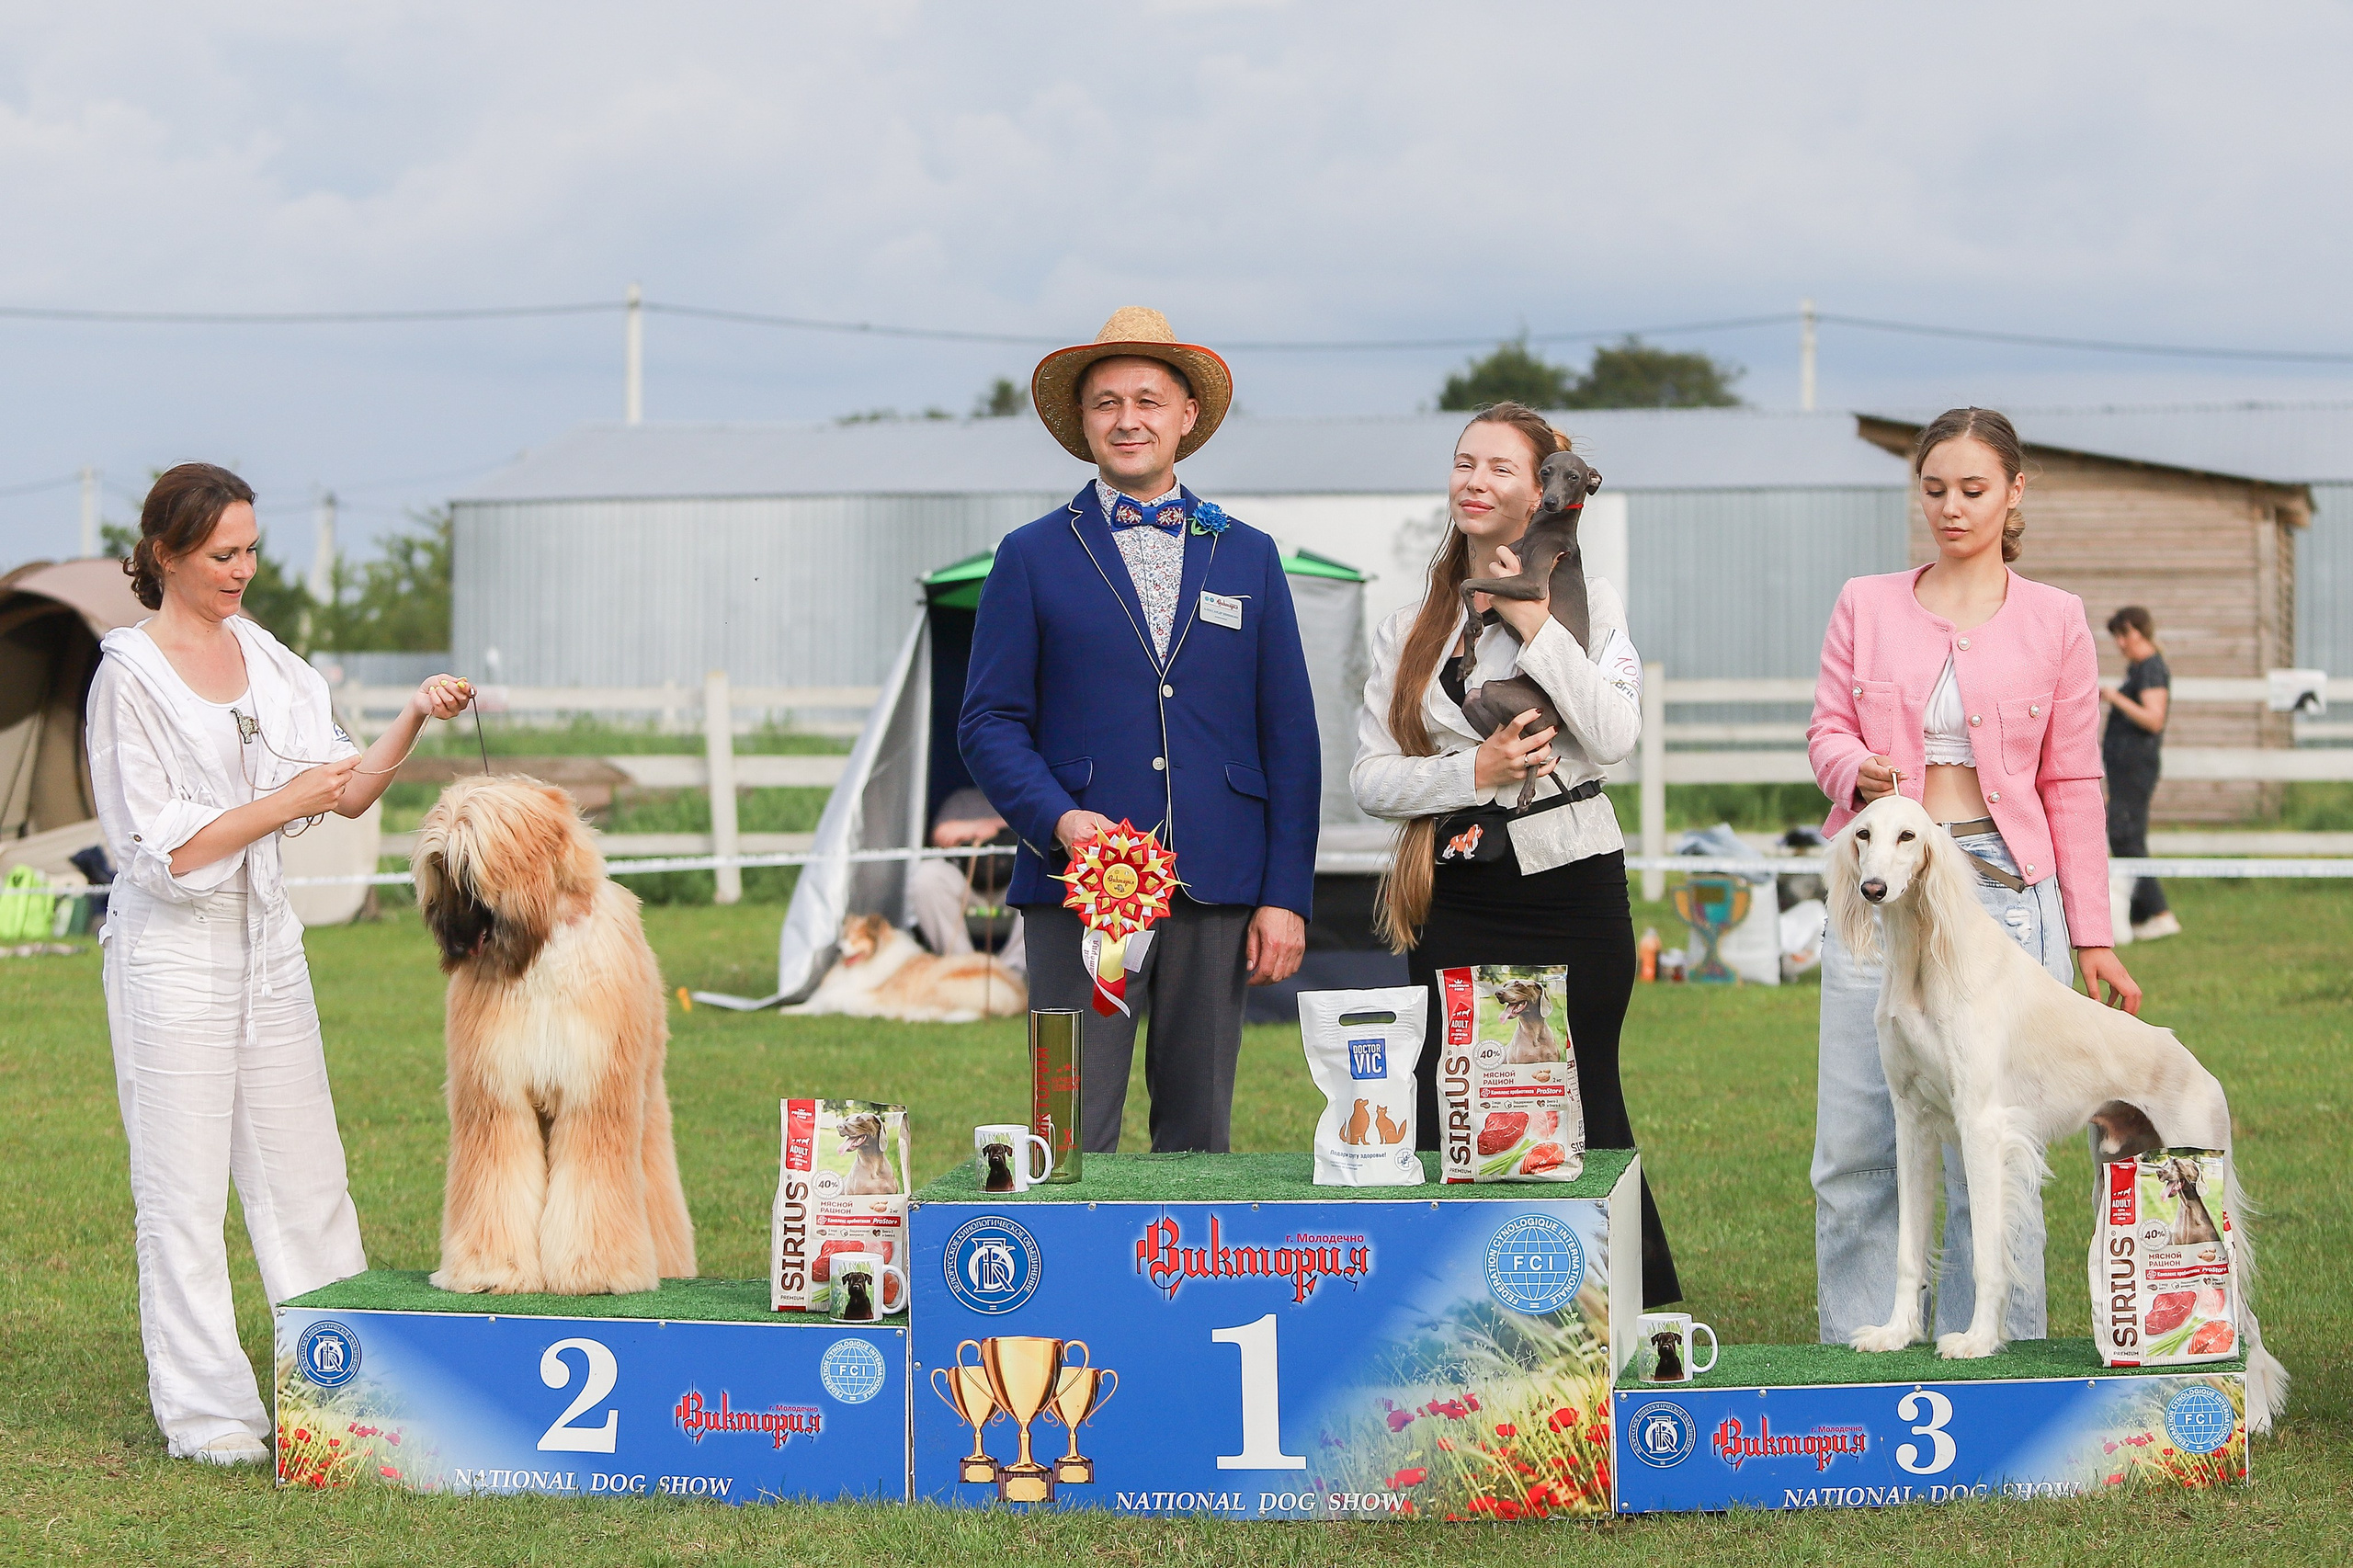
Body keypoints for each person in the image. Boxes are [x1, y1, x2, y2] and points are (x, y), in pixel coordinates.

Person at [86, 463, 474, 1463]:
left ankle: (344, 1388)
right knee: (179, 1195)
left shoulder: (266, 653)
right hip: (168, 955)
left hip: (268, 945)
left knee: (309, 1181)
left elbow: (341, 790)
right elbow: (161, 847)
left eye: (252, 549)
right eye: (223, 554)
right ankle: (212, 1418)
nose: (243, 570)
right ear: (165, 554)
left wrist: (415, 715)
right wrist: (281, 797)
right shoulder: (125, 676)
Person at [1807, 406, 2141, 1348]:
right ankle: (1865, 1345)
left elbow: (2073, 778)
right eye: (1934, 488)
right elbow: (1825, 729)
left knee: (1995, 1147)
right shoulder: (1863, 603)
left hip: (2004, 903)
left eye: (1973, 488)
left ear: (2014, 491)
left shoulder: (2056, 619)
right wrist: (1852, 773)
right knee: (1857, 1148)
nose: (1950, 507)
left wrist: (2092, 932)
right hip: (1877, 898)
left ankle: (1998, 1351)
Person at [959, 307, 1318, 1153]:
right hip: (1079, 885)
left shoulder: (1251, 556)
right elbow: (989, 721)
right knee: (1070, 1125)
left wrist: (1285, 897)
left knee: (1200, 1133)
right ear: (1081, 424)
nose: (1129, 420)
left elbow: (1291, 738)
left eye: (1149, 400)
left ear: (1186, 416)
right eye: (1107, 403)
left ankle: (1183, 1282)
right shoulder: (1030, 554)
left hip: (1218, 883)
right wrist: (1058, 820)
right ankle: (1067, 1286)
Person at [1351, 401, 1681, 1306]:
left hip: (1570, 886)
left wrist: (1532, 620)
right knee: (1450, 1104)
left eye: (1499, 466)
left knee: (1586, 1104)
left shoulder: (1588, 602)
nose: (1474, 479)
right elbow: (1371, 779)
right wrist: (1474, 770)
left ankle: (1639, 1321)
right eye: (1463, 462)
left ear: (1541, 491)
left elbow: (1612, 733)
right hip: (1455, 894)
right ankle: (1463, 1312)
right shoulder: (1407, 627)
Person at [2101, 606, 2177, 939]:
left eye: (2124, 634)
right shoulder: (2138, 669)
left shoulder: (2150, 669)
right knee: (2124, 835)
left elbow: (2153, 718)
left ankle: (2160, 912)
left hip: (2136, 767)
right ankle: (2142, 917)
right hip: (2123, 769)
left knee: (2125, 835)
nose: (2120, 643)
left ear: (2139, 632)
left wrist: (2115, 698)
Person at [908, 786, 1027, 974]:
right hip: (969, 884)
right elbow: (942, 835)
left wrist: (995, 826)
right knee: (927, 877)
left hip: (1015, 885)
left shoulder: (1027, 793)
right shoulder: (963, 799)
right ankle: (964, 968)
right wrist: (976, 828)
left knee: (1043, 877)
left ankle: (1011, 973)